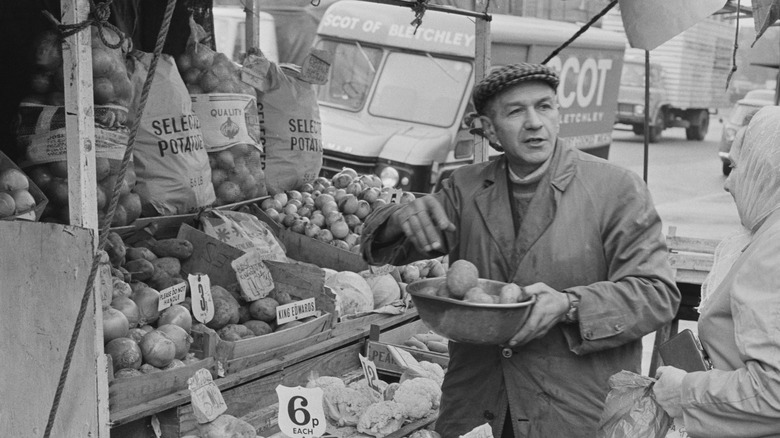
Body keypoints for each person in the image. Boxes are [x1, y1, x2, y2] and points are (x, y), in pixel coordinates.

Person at [360, 63, 681, 438]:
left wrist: (569, 304)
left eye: (544, 107)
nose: (534, 122)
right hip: (476, 407)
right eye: (515, 111)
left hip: (573, 412)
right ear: (490, 129)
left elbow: (657, 294)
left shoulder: (616, 189)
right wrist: (399, 217)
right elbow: (382, 251)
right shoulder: (465, 188)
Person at [653, 105, 780, 437]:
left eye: (736, 166)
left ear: (765, 170)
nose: (728, 183)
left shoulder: (774, 249)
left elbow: (773, 393)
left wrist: (684, 390)